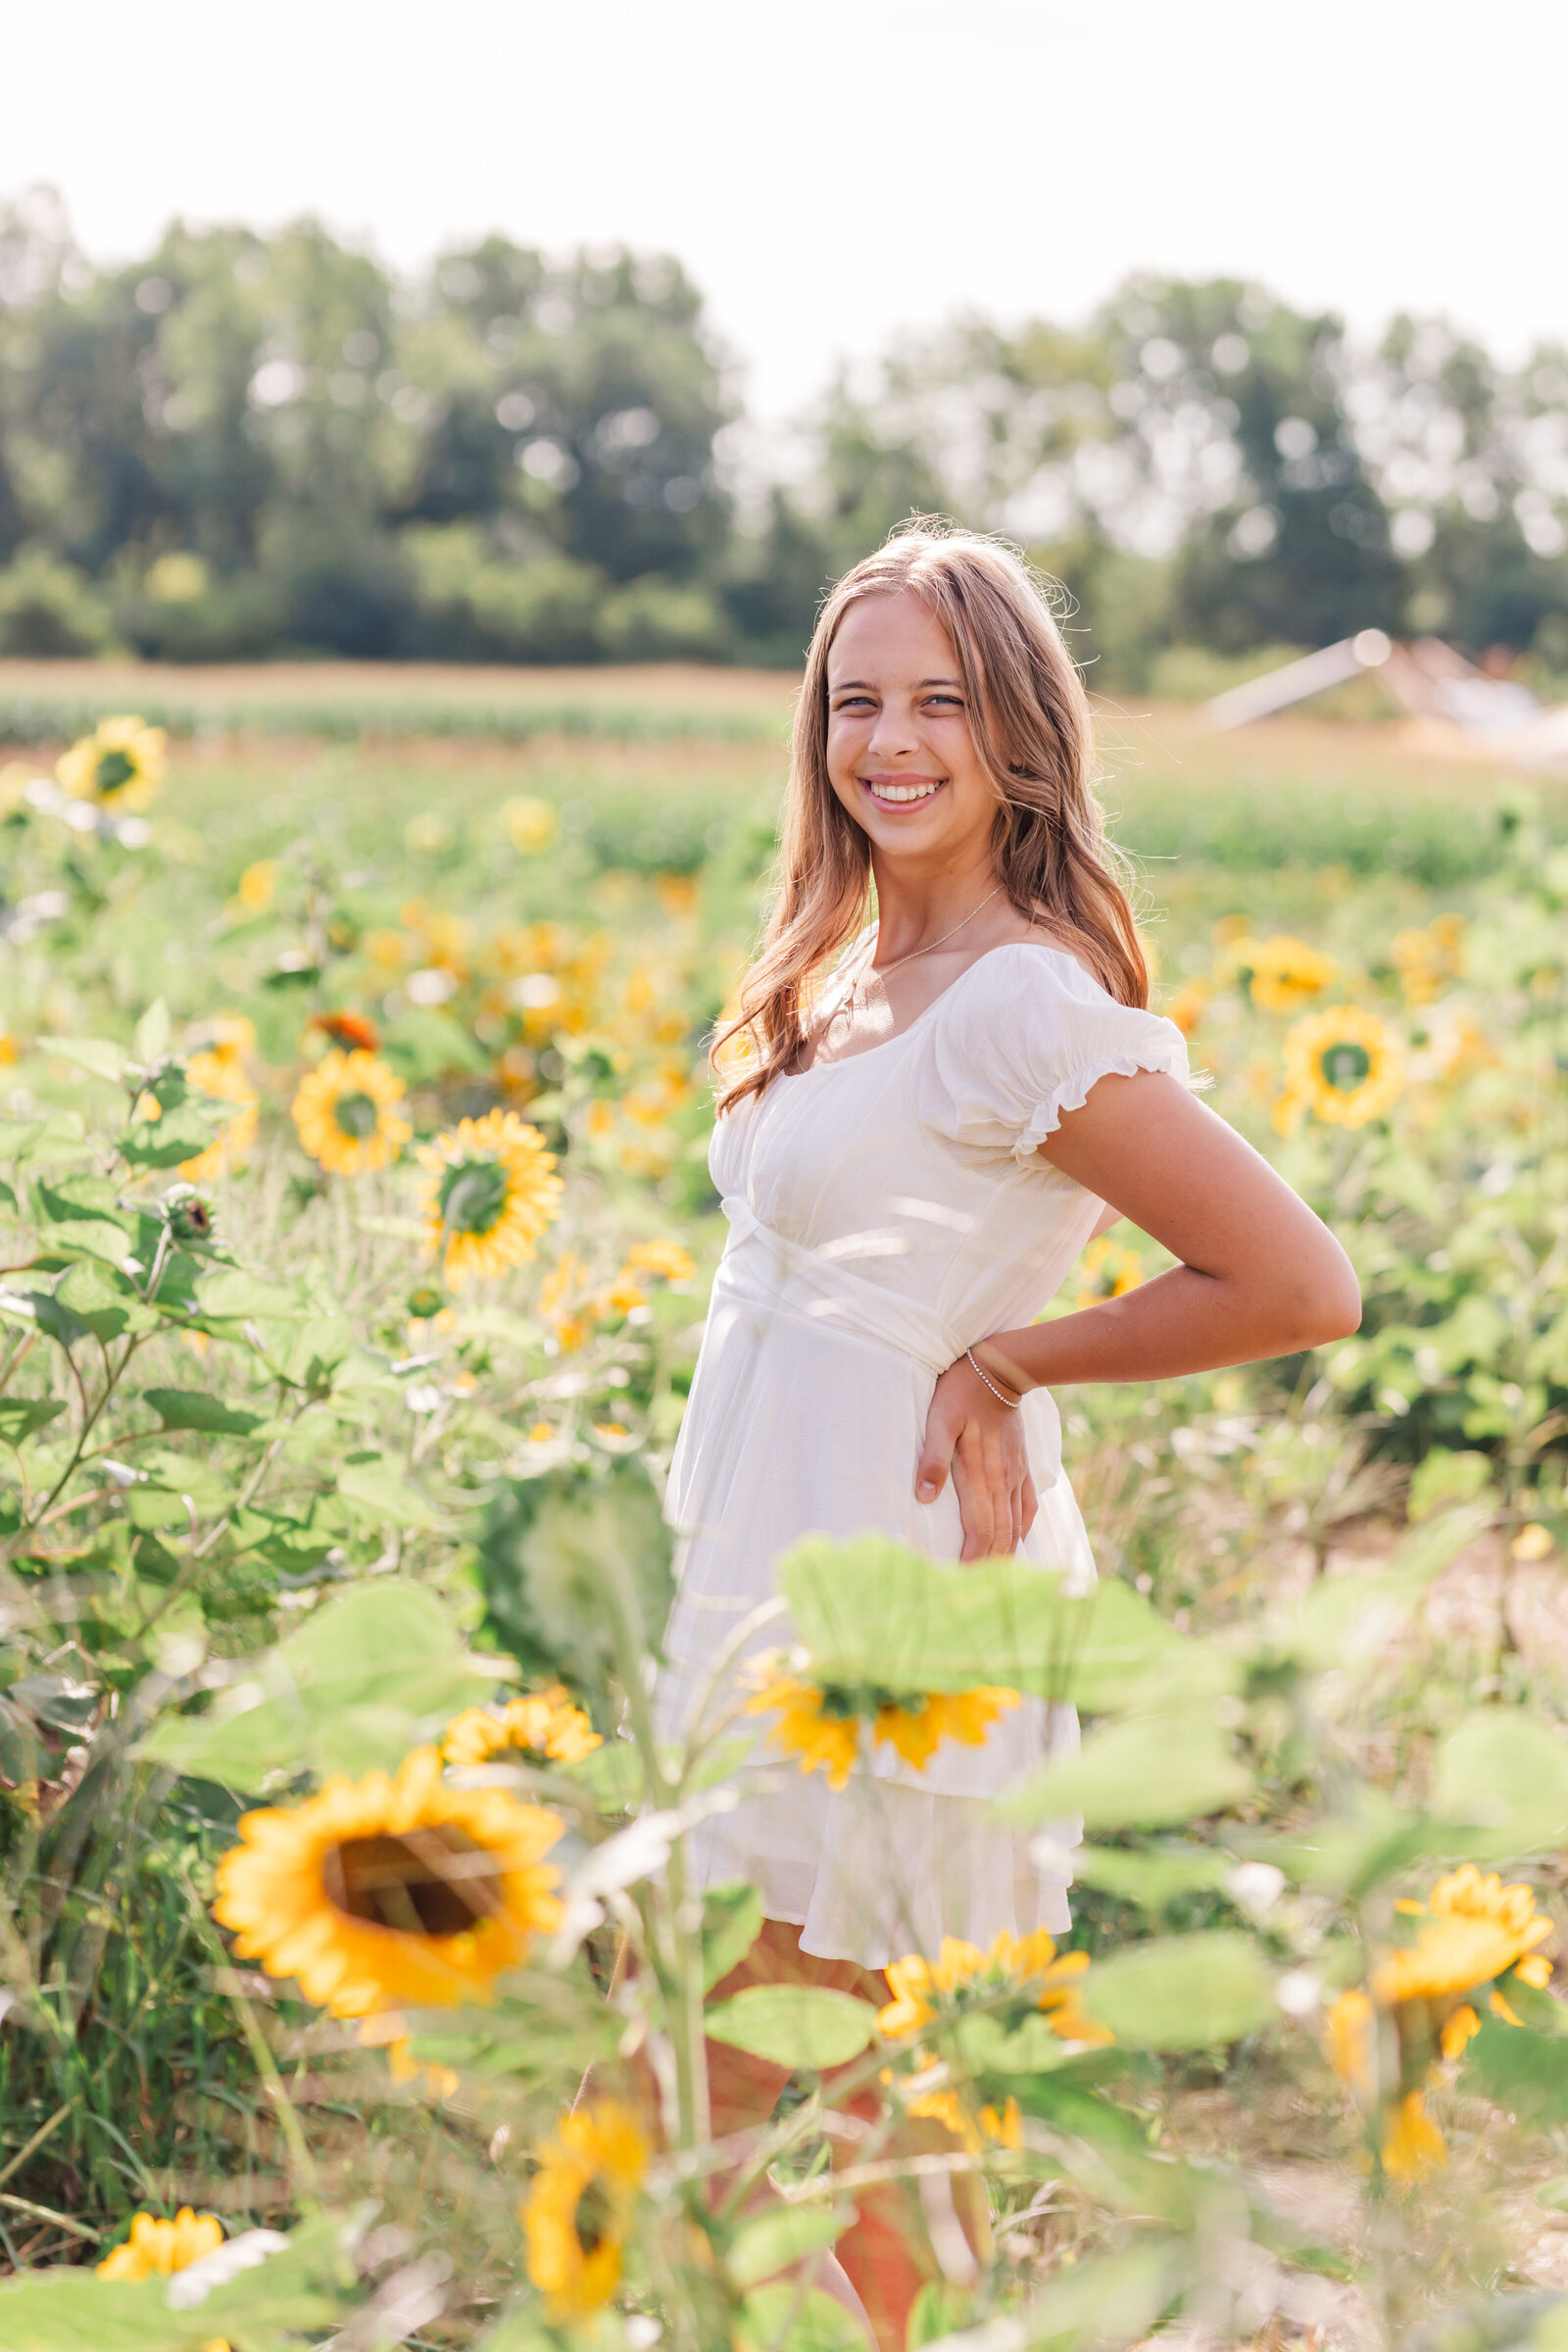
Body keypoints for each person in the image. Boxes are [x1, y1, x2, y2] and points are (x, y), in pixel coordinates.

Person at [654, 521, 1360, 2343]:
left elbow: (1293, 1281)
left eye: (942, 701)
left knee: (758, 2100)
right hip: (755, 1568)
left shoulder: (1021, 1001)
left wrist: (1011, 1364)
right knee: (838, 2112)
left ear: (1020, 733)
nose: (891, 740)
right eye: (858, 696)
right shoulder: (833, 969)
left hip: (894, 1601)